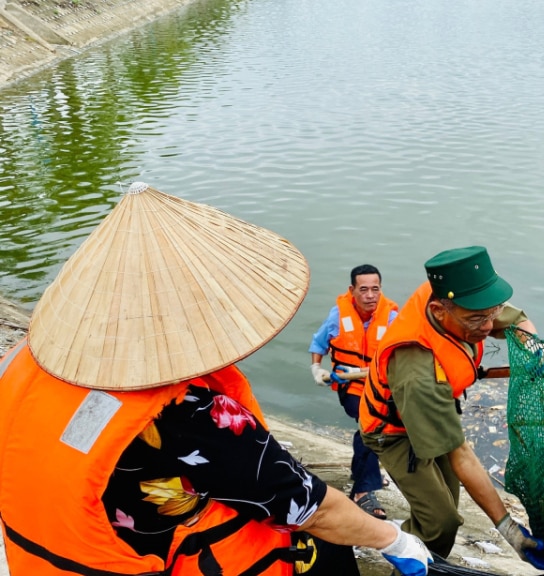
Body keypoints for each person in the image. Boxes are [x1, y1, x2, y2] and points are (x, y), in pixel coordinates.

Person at [0, 183, 431, 576]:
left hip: (44, 553)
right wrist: (395, 539)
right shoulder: (189, 413)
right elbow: (309, 506)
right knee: (325, 548)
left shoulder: (22, 363)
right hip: (141, 560)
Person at [359, 246, 544, 570]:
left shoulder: (457, 296)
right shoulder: (418, 374)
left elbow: (517, 320)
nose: (490, 326)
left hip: (433, 412)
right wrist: (510, 532)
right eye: (478, 318)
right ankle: (406, 564)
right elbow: (459, 453)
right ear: (437, 311)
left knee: (446, 506)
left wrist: (534, 349)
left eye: (492, 311)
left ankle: (425, 561)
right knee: (440, 522)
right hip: (393, 431)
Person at [308, 264, 398, 520]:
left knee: (384, 426)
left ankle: (365, 470)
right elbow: (318, 343)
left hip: (380, 384)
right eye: (364, 290)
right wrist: (316, 368)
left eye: (375, 289)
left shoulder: (391, 318)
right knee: (370, 424)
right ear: (352, 290)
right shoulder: (338, 315)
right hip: (351, 384)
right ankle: (363, 491)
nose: (370, 295)